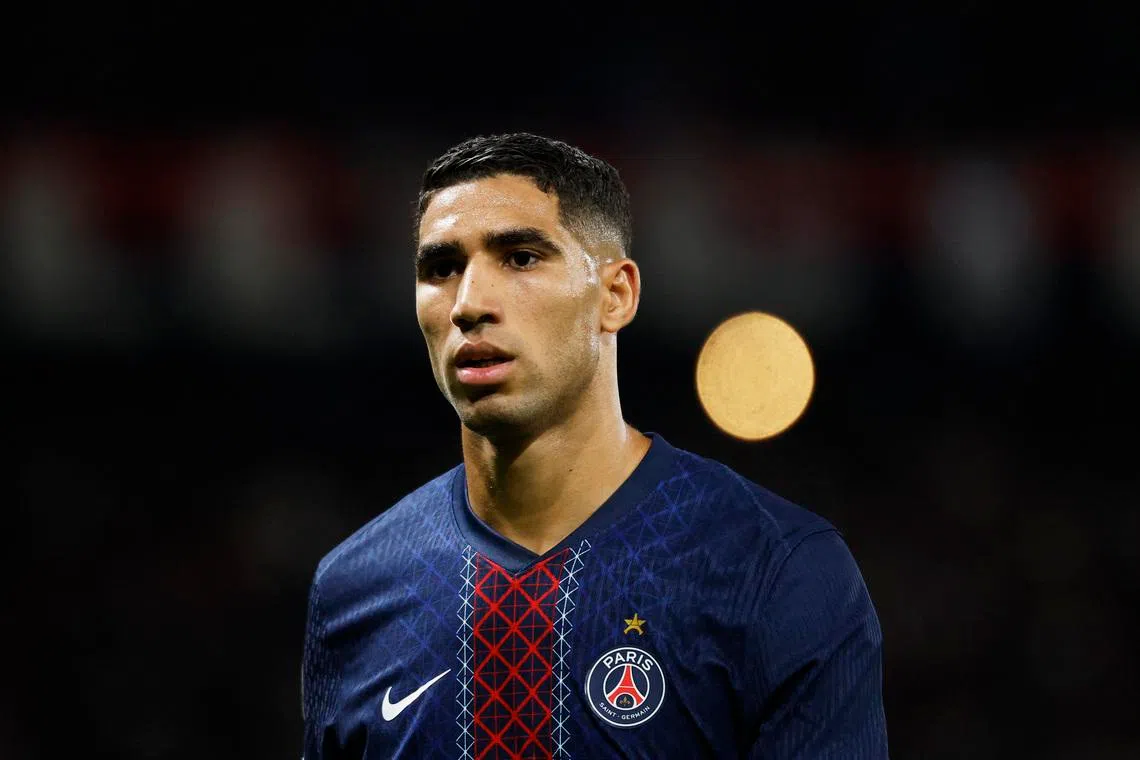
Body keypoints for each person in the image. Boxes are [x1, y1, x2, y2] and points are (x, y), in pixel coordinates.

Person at [301, 132, 888, 759]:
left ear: (616, 295)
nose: (469, 304)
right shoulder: (353, 592)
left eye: (521, 258)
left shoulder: (774, 568)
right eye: (441, 268)